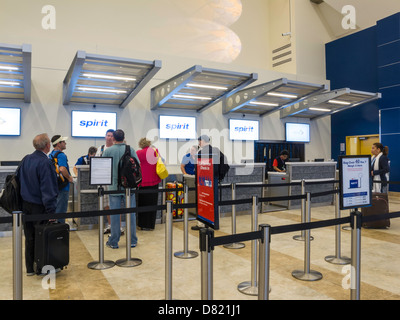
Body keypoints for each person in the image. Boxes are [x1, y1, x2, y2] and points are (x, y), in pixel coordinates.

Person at [16, 133, 59, 276]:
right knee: (42, 236)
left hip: (26, 205)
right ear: (48, 145)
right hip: (40, 206)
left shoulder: (26, 159)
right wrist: (51, 211)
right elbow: (48, 189)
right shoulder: (45, 163)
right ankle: (42, 267)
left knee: (30, 236)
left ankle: (30, 268)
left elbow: (18, 180)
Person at [102, 129, 139, 249]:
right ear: (124, 138)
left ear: (113, 138)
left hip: (114, 187)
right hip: (129, 188)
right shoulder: (130, 149)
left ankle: (114, 241)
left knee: (114, 215)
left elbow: (103, 167)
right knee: (131, 214)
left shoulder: (108, 151)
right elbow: (137, 166)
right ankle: (132, 240)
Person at [192, 135, 229, 230]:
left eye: (199, 141)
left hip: (203, 183)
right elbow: (225, 164)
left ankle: (201, 224)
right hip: (213, 183)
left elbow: (199, 169)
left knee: (202, 203)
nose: (199, 143)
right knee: (211, 203)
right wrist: (219, 177)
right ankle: (211, 222)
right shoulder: (216, 150)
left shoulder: (201, 152)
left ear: (203, 141)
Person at [136, 138, 162, 230]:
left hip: (143, 183)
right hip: (154, 181)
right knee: (153, 203)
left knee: (142, 204)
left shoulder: (138, 153)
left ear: (140, 144)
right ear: (149, 143)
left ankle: (142, 225)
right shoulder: (155, 151)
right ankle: (151, 225)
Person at [95, 129, 116, 234]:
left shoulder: (116, 148)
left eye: (112, 136)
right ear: (105, 137)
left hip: (113, 180)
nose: (109, 137)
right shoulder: (101, 148)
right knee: (106, 204)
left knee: (115, 203)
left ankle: (118, 227)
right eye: (108, 135)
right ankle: (110, 225)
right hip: (103, 179)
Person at [49, 135, 73, 223]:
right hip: (63, 186)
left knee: (55, 209)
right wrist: (69, 178)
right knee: (61, 210)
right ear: (59, 144)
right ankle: (60, 229)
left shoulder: (51, 154)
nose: (65, 143)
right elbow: (62, 169)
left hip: (54, 186)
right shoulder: (61, 155)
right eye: (63, 142)